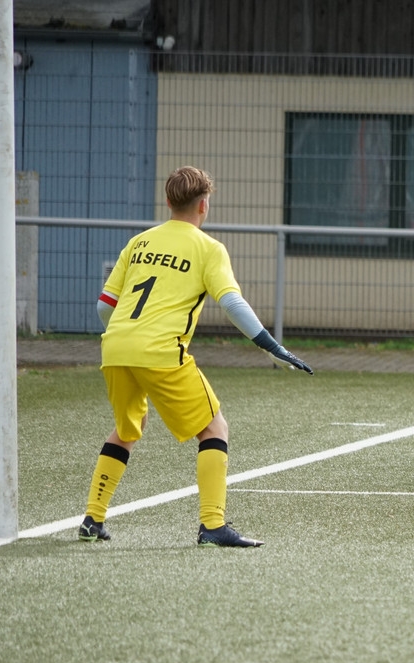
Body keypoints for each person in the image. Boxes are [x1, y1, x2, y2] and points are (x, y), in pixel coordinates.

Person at [78, 166, 313, 547]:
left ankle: (92, 519)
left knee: (126, 429)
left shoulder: (138, 243)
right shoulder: (208, 249)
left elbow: (105, 306)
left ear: (168, 202)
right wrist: (272, 347)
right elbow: (232, 303)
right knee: (214, 428)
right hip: (161, 351)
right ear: (204, 205)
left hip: (116, 346)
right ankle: (213, 526)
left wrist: (127, 338)